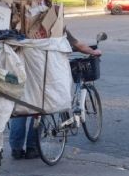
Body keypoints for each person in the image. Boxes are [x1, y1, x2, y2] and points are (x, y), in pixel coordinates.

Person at [9, 28, 102, 160]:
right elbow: (77, 44)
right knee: (42, 107)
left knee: (20, 107)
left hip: (19, 70)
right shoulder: (56, 25)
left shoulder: (18, 26)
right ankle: (32, 147)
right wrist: (93, 52)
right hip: (42, 72)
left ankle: (16, 149)